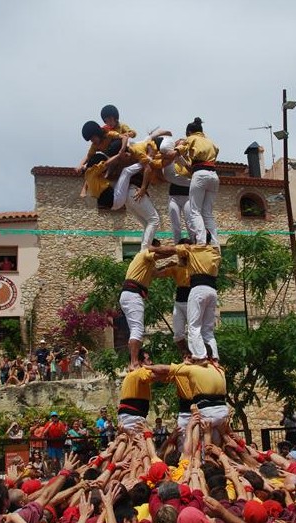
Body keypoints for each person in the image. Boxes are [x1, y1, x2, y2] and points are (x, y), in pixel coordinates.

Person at [154, 235, 221, 361]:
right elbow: (157, 274)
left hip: (193, 297)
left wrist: (151, 248)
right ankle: (188, 354)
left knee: (196, 329)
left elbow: (170, 250)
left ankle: (201, 356)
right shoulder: (177, 267)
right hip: (181, 301)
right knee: (179, 333)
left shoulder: (193, 258)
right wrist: (163, 264)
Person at [119, 241, 166, 369]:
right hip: (133, 294)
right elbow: (160, 254)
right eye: (158, 248)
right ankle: (134, 363)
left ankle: (134, 361)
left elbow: (156, 273)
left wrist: (171, 266)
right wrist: (178, 249)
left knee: (136, 329)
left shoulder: (147, 264)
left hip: (130, 295)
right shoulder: (144, 254)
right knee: (137, 330)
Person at [174, 117, 219, 246]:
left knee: (195, 211)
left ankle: (201, 242)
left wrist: (173, 152)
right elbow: (215, 153)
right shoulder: (210, 142)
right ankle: (215, 244)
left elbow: (179, 149)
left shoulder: (190, 138)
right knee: (207, 213)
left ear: (189, 132)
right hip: (214, 175)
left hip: (200, 175)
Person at [117, 349, 154, 430]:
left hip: (131, 415)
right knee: (136, 440)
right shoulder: (140, 372)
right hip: (133, 416)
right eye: (148, 360)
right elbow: (158, 375)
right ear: (140, 362)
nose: (151, 362)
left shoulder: (134, 374)